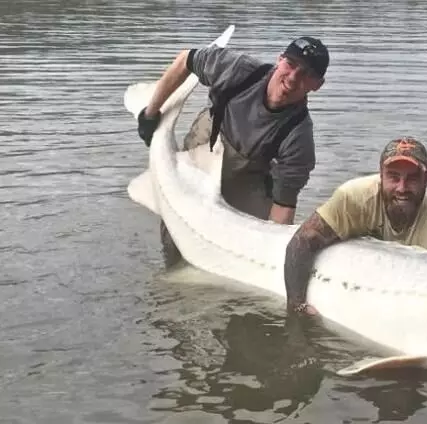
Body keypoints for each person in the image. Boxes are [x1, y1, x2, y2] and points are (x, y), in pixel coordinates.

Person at [136, 35, 329, 265]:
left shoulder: (299, 139)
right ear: (280, 59)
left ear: (317, 85)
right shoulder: (239, 69)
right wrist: (150, 113)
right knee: (177, 230)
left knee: (250, 243)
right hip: (207, 143)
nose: (293, 77)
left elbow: (283, 208)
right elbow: (185, 60)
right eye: (291, 64)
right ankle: (172, 263)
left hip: (247, 174)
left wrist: (273, 260)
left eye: (306, 74)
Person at [283, 137, 427, 315]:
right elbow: (302, 241)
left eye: (412, 178)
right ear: (381, 175)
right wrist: (297, 306)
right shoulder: (354, 197)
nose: (402, 188)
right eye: (393, 177)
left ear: (426, 179)